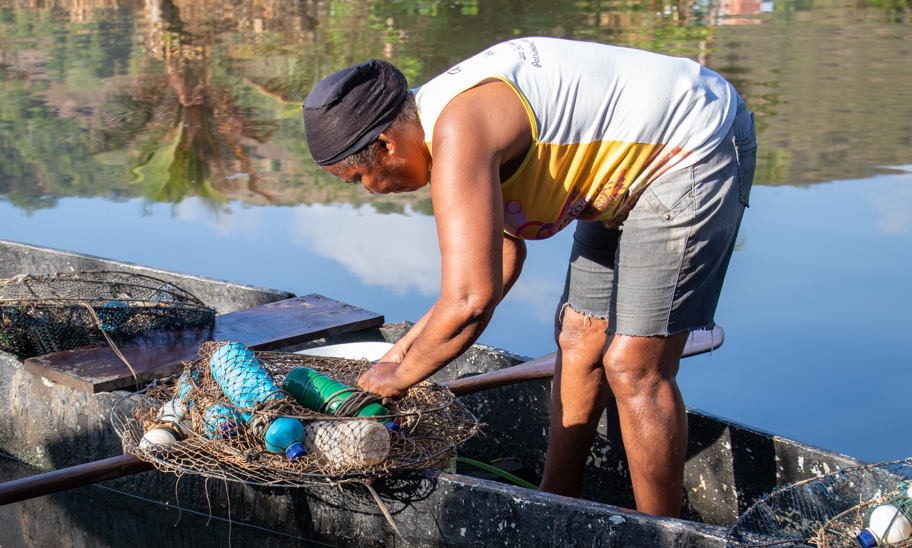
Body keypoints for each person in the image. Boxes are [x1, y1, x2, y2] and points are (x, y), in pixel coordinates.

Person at [301, 37, 756, 518]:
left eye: (359, 178)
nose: (370, 191)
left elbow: (472, 301)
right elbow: (497, 262)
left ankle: (667, 544)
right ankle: (556, 502)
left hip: (693, 144)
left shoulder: (459, 131)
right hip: (620, 175)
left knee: (632, 366)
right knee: (579, 337)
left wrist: (398, 382)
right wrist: (398, 356)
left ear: (386, 144)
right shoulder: (438, 128)